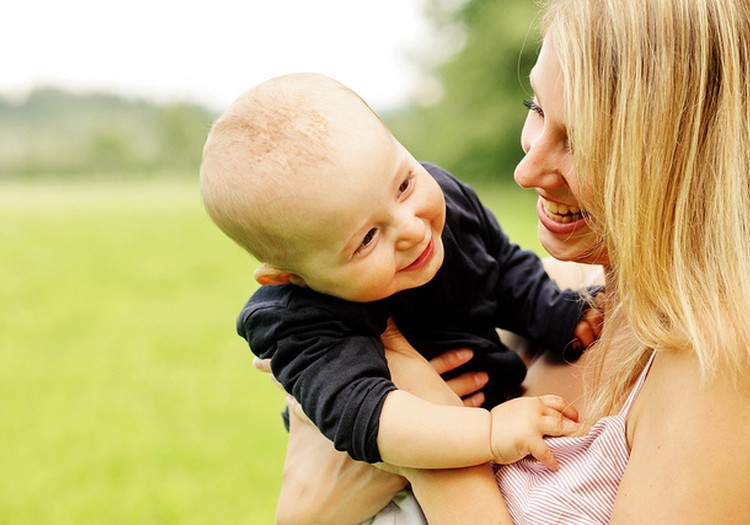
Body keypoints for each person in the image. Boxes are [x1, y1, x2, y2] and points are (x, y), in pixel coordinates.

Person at [267, 0, 750, 523]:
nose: (525, 169)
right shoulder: (569, 297)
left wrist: (427, 444)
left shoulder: (715, 366)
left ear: (693, 159)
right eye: (536, 106)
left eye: (582, 140)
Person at [200, 72, 602, 471]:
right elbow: (371, 418)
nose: (412, 227)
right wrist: (489, 432)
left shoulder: (447, 202)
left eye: (404, 185)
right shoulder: (300, 319)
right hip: (394, 489)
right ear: (291, 276)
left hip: (499, 425)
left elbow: (502, 270)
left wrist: (559, 314)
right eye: (368, 238)